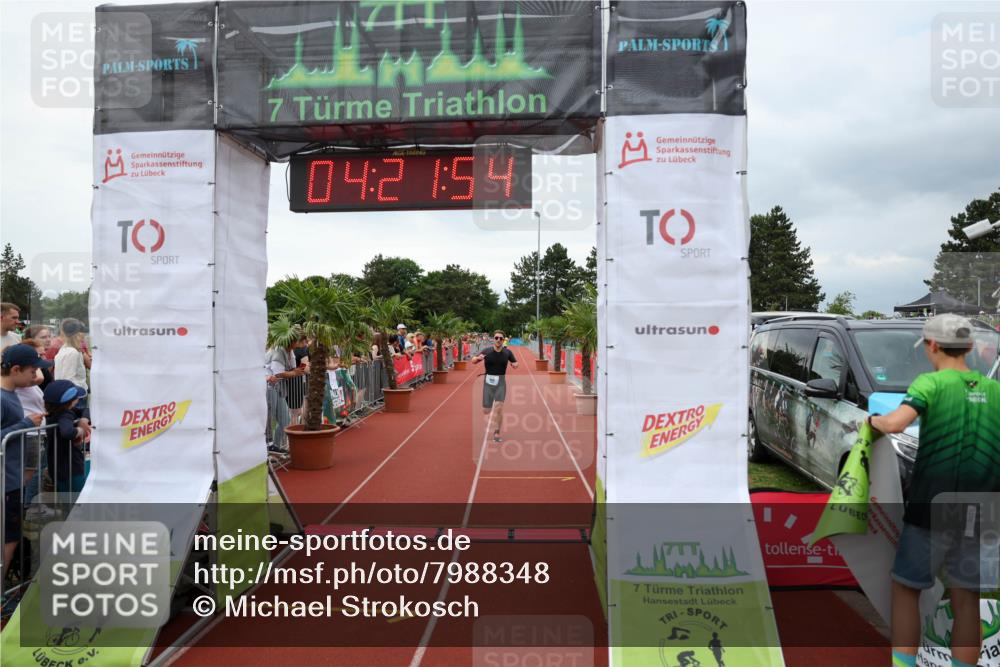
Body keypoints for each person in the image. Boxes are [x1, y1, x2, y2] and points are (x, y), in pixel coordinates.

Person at [868, 314, 1000, 667]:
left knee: (906, 589)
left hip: (932, 505)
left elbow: (896, 423)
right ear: (970, 346)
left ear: (931, 346)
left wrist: (871, 422)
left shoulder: (930, 384)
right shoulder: (995, 390)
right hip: (983, 507)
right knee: (967, 597)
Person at [1, 344, 49, 578]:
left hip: (11, 479)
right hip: (6, 482)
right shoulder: (2, 398)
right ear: (16, 369)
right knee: (9, 537)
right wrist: (26, 424)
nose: (35, 376)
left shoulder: (10, 395)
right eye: (32, 371)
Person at [43, 380, 90, 494]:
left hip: (55, 465)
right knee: (78, 497)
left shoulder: (53, 413)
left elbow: (85, 410)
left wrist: (83, 419)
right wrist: (81, 430)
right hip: (71, 466)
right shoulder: (65, 415)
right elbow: (67, 432)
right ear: (71, 401)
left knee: (64, 498)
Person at [472, 330, 518, 443]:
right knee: (486, 411)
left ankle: (497, 432)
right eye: (496, 338)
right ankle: (490, 408)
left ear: (503, 340)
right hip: (488, 382)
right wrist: (478, 359)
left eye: (501, 338)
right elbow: (473, 360)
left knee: (499, 407)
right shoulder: (487, 351)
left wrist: (514, 364)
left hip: (501, 382)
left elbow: (516, 363)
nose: (498, 340)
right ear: (493, 339)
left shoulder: (508, 353)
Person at [265, 338, 307, 449]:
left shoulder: (290, 351)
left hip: (279, 388)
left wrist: (297, 371)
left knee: (285, 420)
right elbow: (278, 373)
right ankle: (269, 445)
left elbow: (293, 368)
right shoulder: (278, 351)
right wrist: (295, 372)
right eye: (299, 341)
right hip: (270, 387)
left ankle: (276, 446)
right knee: (270, 417)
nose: (301, 343)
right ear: (291, 341)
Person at [54, 319, 89, 407]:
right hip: (75, 397)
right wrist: (80, 391)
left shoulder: (65, 349)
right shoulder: (72, 352)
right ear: (77, 334)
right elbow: (68, 378)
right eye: (82, 332)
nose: (84, 335)